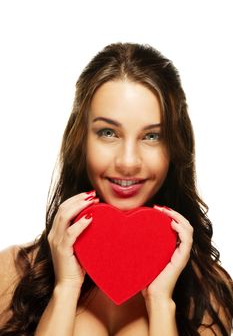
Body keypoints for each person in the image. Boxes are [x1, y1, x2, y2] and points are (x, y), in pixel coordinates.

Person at [0, 42, 232, 336]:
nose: (128, 162)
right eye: (108, 132)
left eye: (152, 136)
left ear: (175, 146)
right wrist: (65, 289)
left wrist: (161, 304)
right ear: (80, 141)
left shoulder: (209, 291)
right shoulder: (12, 273)